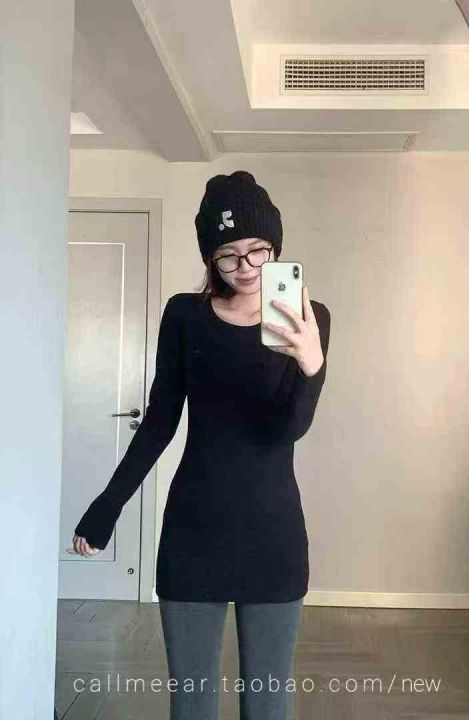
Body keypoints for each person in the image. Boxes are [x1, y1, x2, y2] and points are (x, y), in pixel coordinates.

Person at [68, 170, 331, 719]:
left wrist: (311, 367)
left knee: (267, 703)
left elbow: (287, 430)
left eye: (258, 250)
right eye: (228, 255)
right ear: (210, 258)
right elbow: (160, 422)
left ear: (276, 248)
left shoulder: (308, 319)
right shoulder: (184, 316)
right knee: (191, 703)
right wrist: (108, 505)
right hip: (193, 531)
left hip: (274, 534)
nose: (246, 267)